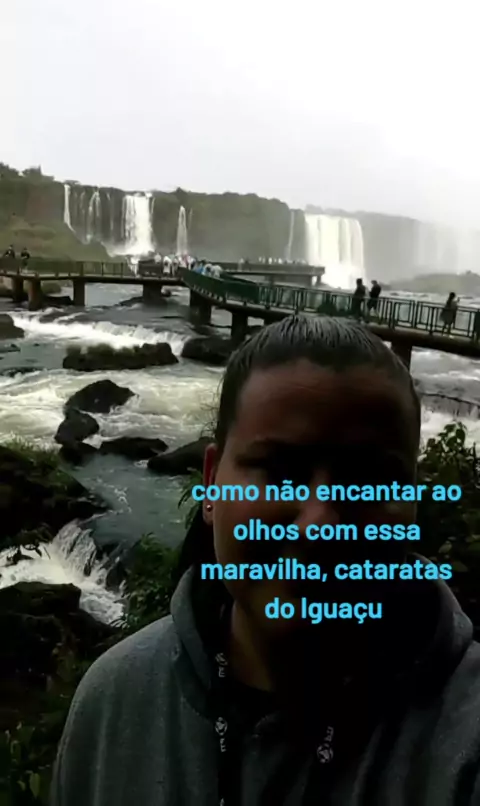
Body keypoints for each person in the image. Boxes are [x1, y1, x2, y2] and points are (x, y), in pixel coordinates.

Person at [51, 315, 480, 806]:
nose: (320, 526)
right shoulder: (112, 705)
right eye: (280, 471)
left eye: (368, 479)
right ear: (211, 484)